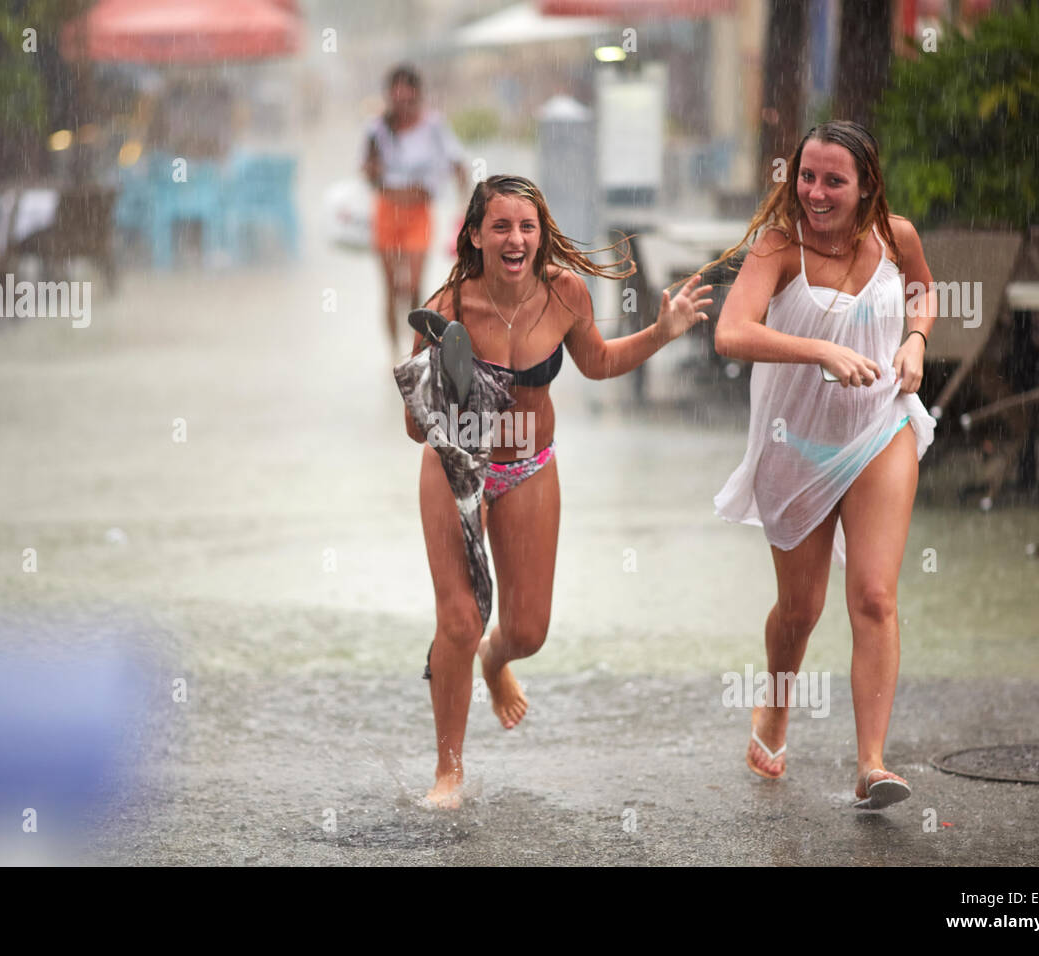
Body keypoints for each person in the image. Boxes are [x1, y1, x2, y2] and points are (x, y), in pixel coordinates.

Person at [406, 174, 713, 808]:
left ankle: (496, 661)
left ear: (540, 235)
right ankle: (449, 771)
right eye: (501, 226)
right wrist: (441, 382)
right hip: (456, 467)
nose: (515, 238)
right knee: (459, 620)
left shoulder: (566, 293)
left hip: (529, 468)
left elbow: (596, 363)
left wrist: (663, 332)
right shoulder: (445, 309)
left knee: (529, 630)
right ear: (474, 236)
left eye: (527, 226)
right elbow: (415, 430)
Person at [711, 121, 937, 810]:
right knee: (801, 611)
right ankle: (775, 707)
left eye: (833, 180)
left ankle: (871, 763)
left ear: (866, 184)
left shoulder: (896, 236)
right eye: (806, 176)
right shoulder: (780, 244)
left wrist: (916, 344)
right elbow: (730, 333)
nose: (814, 191)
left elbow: (925, 292)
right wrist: (819, 350)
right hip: (795, 445)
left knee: (874, 596)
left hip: (880, 428)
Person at [363, 64, 469, 357]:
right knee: (389, 286)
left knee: (412, 285)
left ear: (418, 96)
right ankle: (394, 353)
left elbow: (458, 162)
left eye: (409, 97)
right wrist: (373, 170)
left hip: (419, 212)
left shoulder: (434, 127)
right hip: (386, 210)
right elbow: (367, 171)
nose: (403, 104)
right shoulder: (376, 129)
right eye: (397, 96)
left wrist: (467, 205)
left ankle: (417, 350)